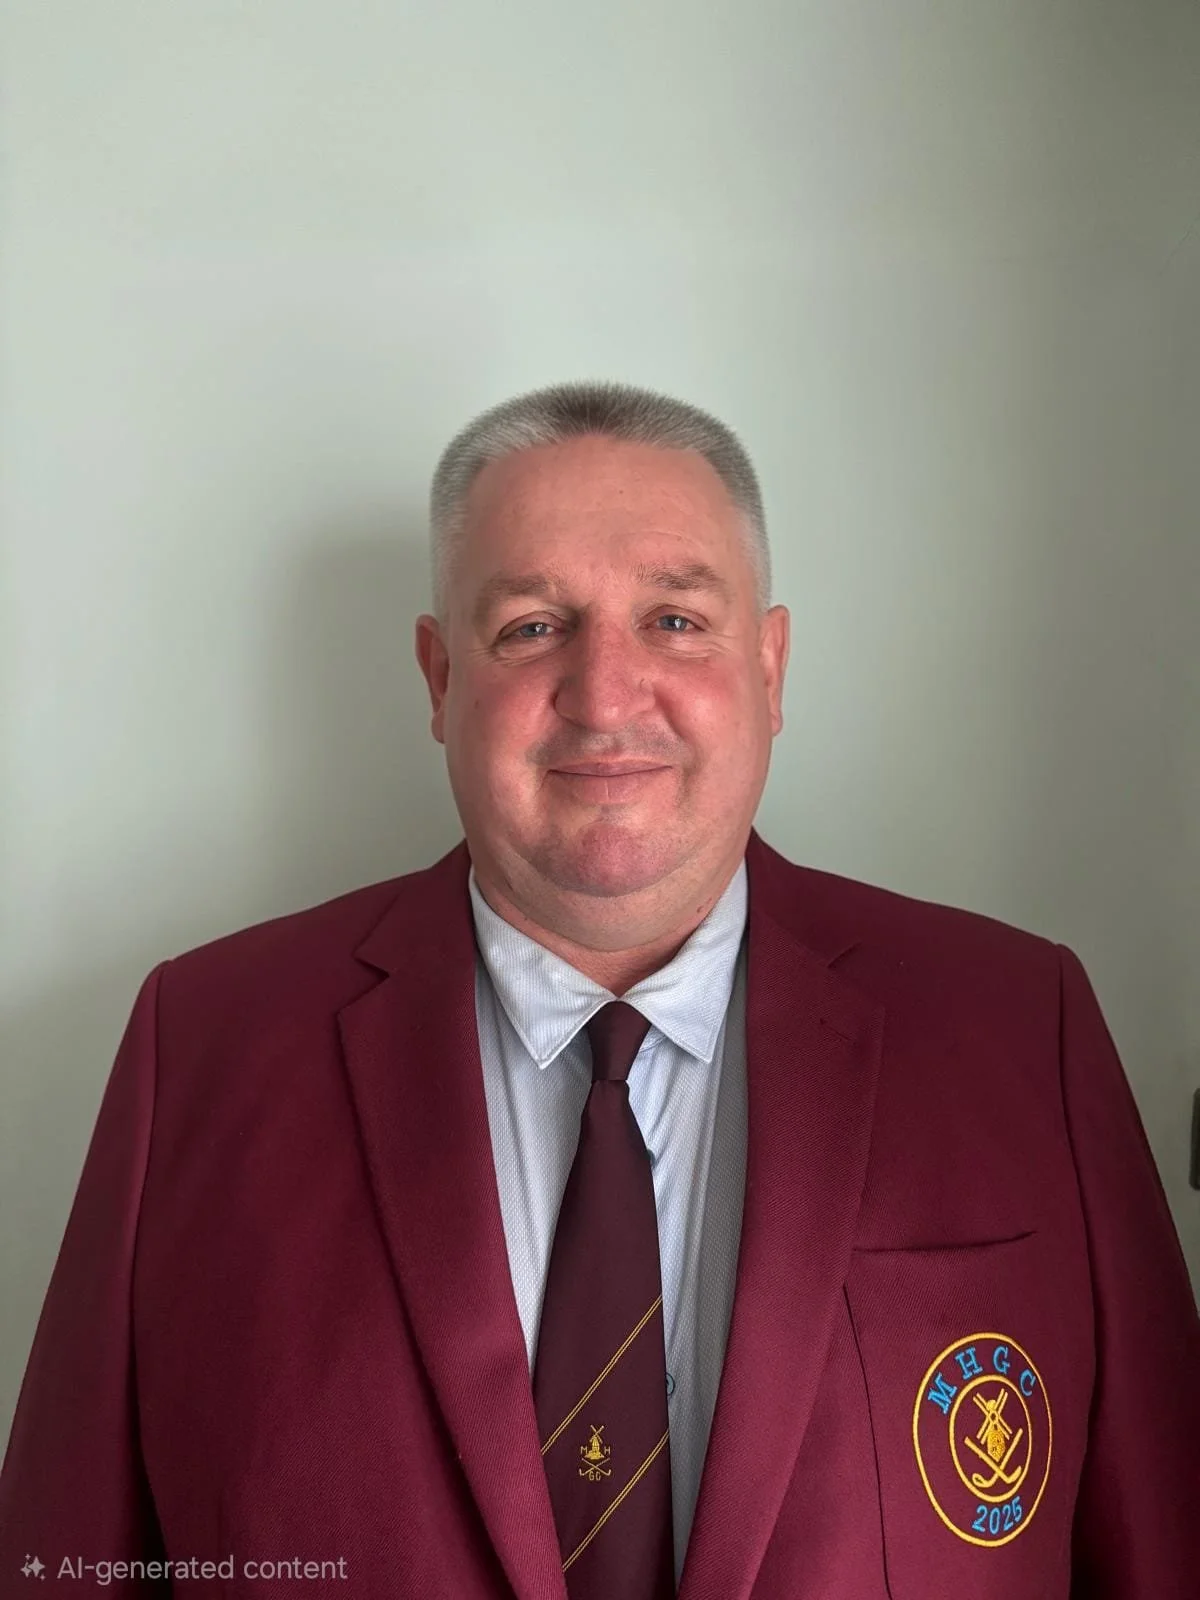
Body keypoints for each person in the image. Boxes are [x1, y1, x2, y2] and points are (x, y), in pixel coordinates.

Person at [1, 380, 1197, 1600]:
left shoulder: (1021, 1029)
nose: (607, 693)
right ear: (438, 678)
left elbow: (1161, 1544)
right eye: (532, 628)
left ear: (769, 666)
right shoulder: (200, 1048)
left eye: (675, 620)